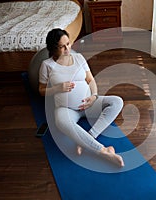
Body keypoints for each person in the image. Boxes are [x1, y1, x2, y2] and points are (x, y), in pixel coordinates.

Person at [38, 28, 124, 167]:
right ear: (54, 48)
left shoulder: (78, 57)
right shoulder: (47, 65)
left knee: (117, 102)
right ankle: (104, 151)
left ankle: (89, 138)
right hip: (66, 109)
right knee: (61, 122)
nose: (67, 48)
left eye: (68, 44)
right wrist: (57, 88)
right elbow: (41, 90)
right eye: (62, 46)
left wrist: (94, 96)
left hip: (89, 104)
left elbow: (90, 80)